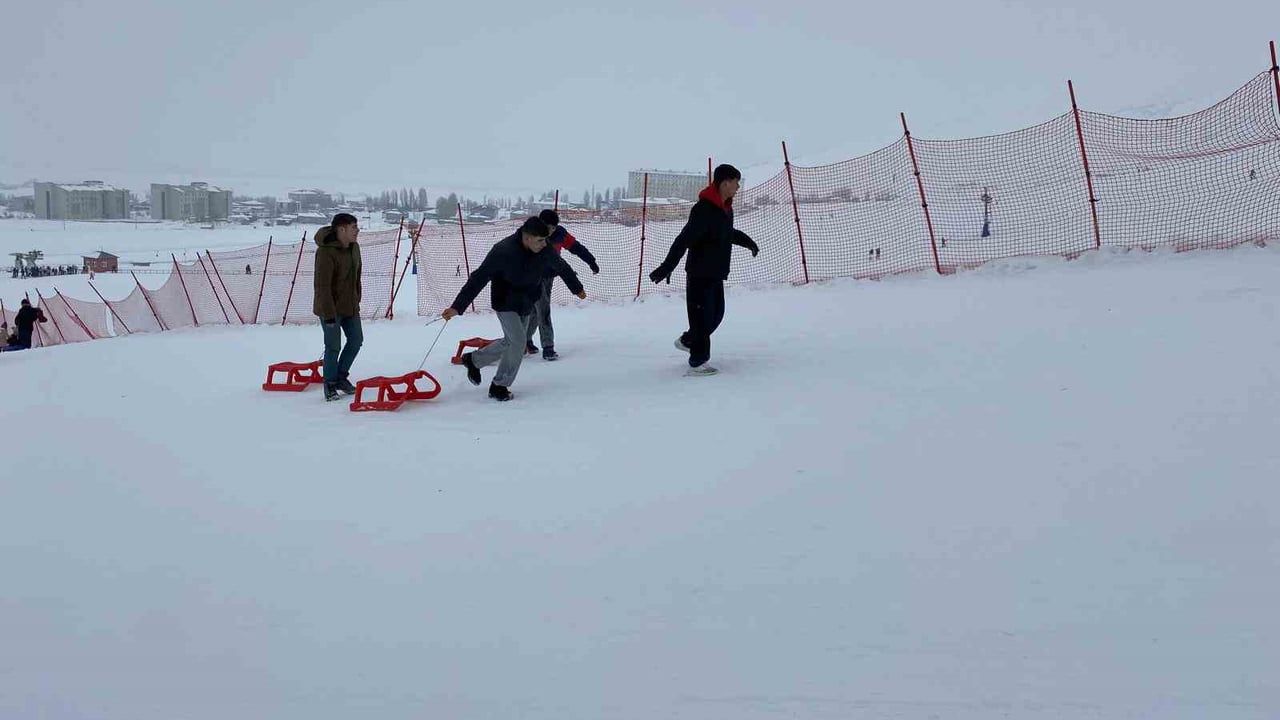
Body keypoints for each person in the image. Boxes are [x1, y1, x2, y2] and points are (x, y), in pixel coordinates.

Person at [442, 216, 586, 401]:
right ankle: (499, 386)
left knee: (511, 341)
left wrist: (577, 288)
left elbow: (562, 266)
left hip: (527, 301)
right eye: (540, 240)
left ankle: (474, 360)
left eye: (545, 240)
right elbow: (478, 278)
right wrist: (457, 307)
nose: (545, 244)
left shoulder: (543, 248)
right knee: (518, 342)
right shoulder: (503, 251)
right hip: (505, 302)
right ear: (527, 238)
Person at [648, 164, 759, 376]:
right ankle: (697, 362)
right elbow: (684, 239)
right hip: (699, 273)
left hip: (716, 272)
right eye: (736, 182)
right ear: (725, 182)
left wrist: (749, 243)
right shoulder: (703, 210)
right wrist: (667, 266)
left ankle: (689, 340)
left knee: (716, 315)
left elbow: (728, 233)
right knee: (701, 319)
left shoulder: (725, 208)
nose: (738, 187)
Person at [524, 209, 600, 360]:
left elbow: (576, 248)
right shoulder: (533, 234)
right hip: (532, 277)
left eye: (553, 227)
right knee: (542, 309)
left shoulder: (560, 234)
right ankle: (548, 347)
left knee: (535, 309)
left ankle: (525, 340)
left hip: (549, 276)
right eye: (548, 227)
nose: (551, 231)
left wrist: (591, 261)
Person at [312, 213, 363, 402]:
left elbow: (357, 276)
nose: (357, 231)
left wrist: (356, 298)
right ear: (342, 229)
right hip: (330, 309)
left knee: (356, 340)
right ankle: (330, 383)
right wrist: (329, 315)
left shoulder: (354, 248)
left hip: (350, 306)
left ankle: (341, 377)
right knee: (333, 346)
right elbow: (322, 285)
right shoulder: (325, 252)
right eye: (353, 227)